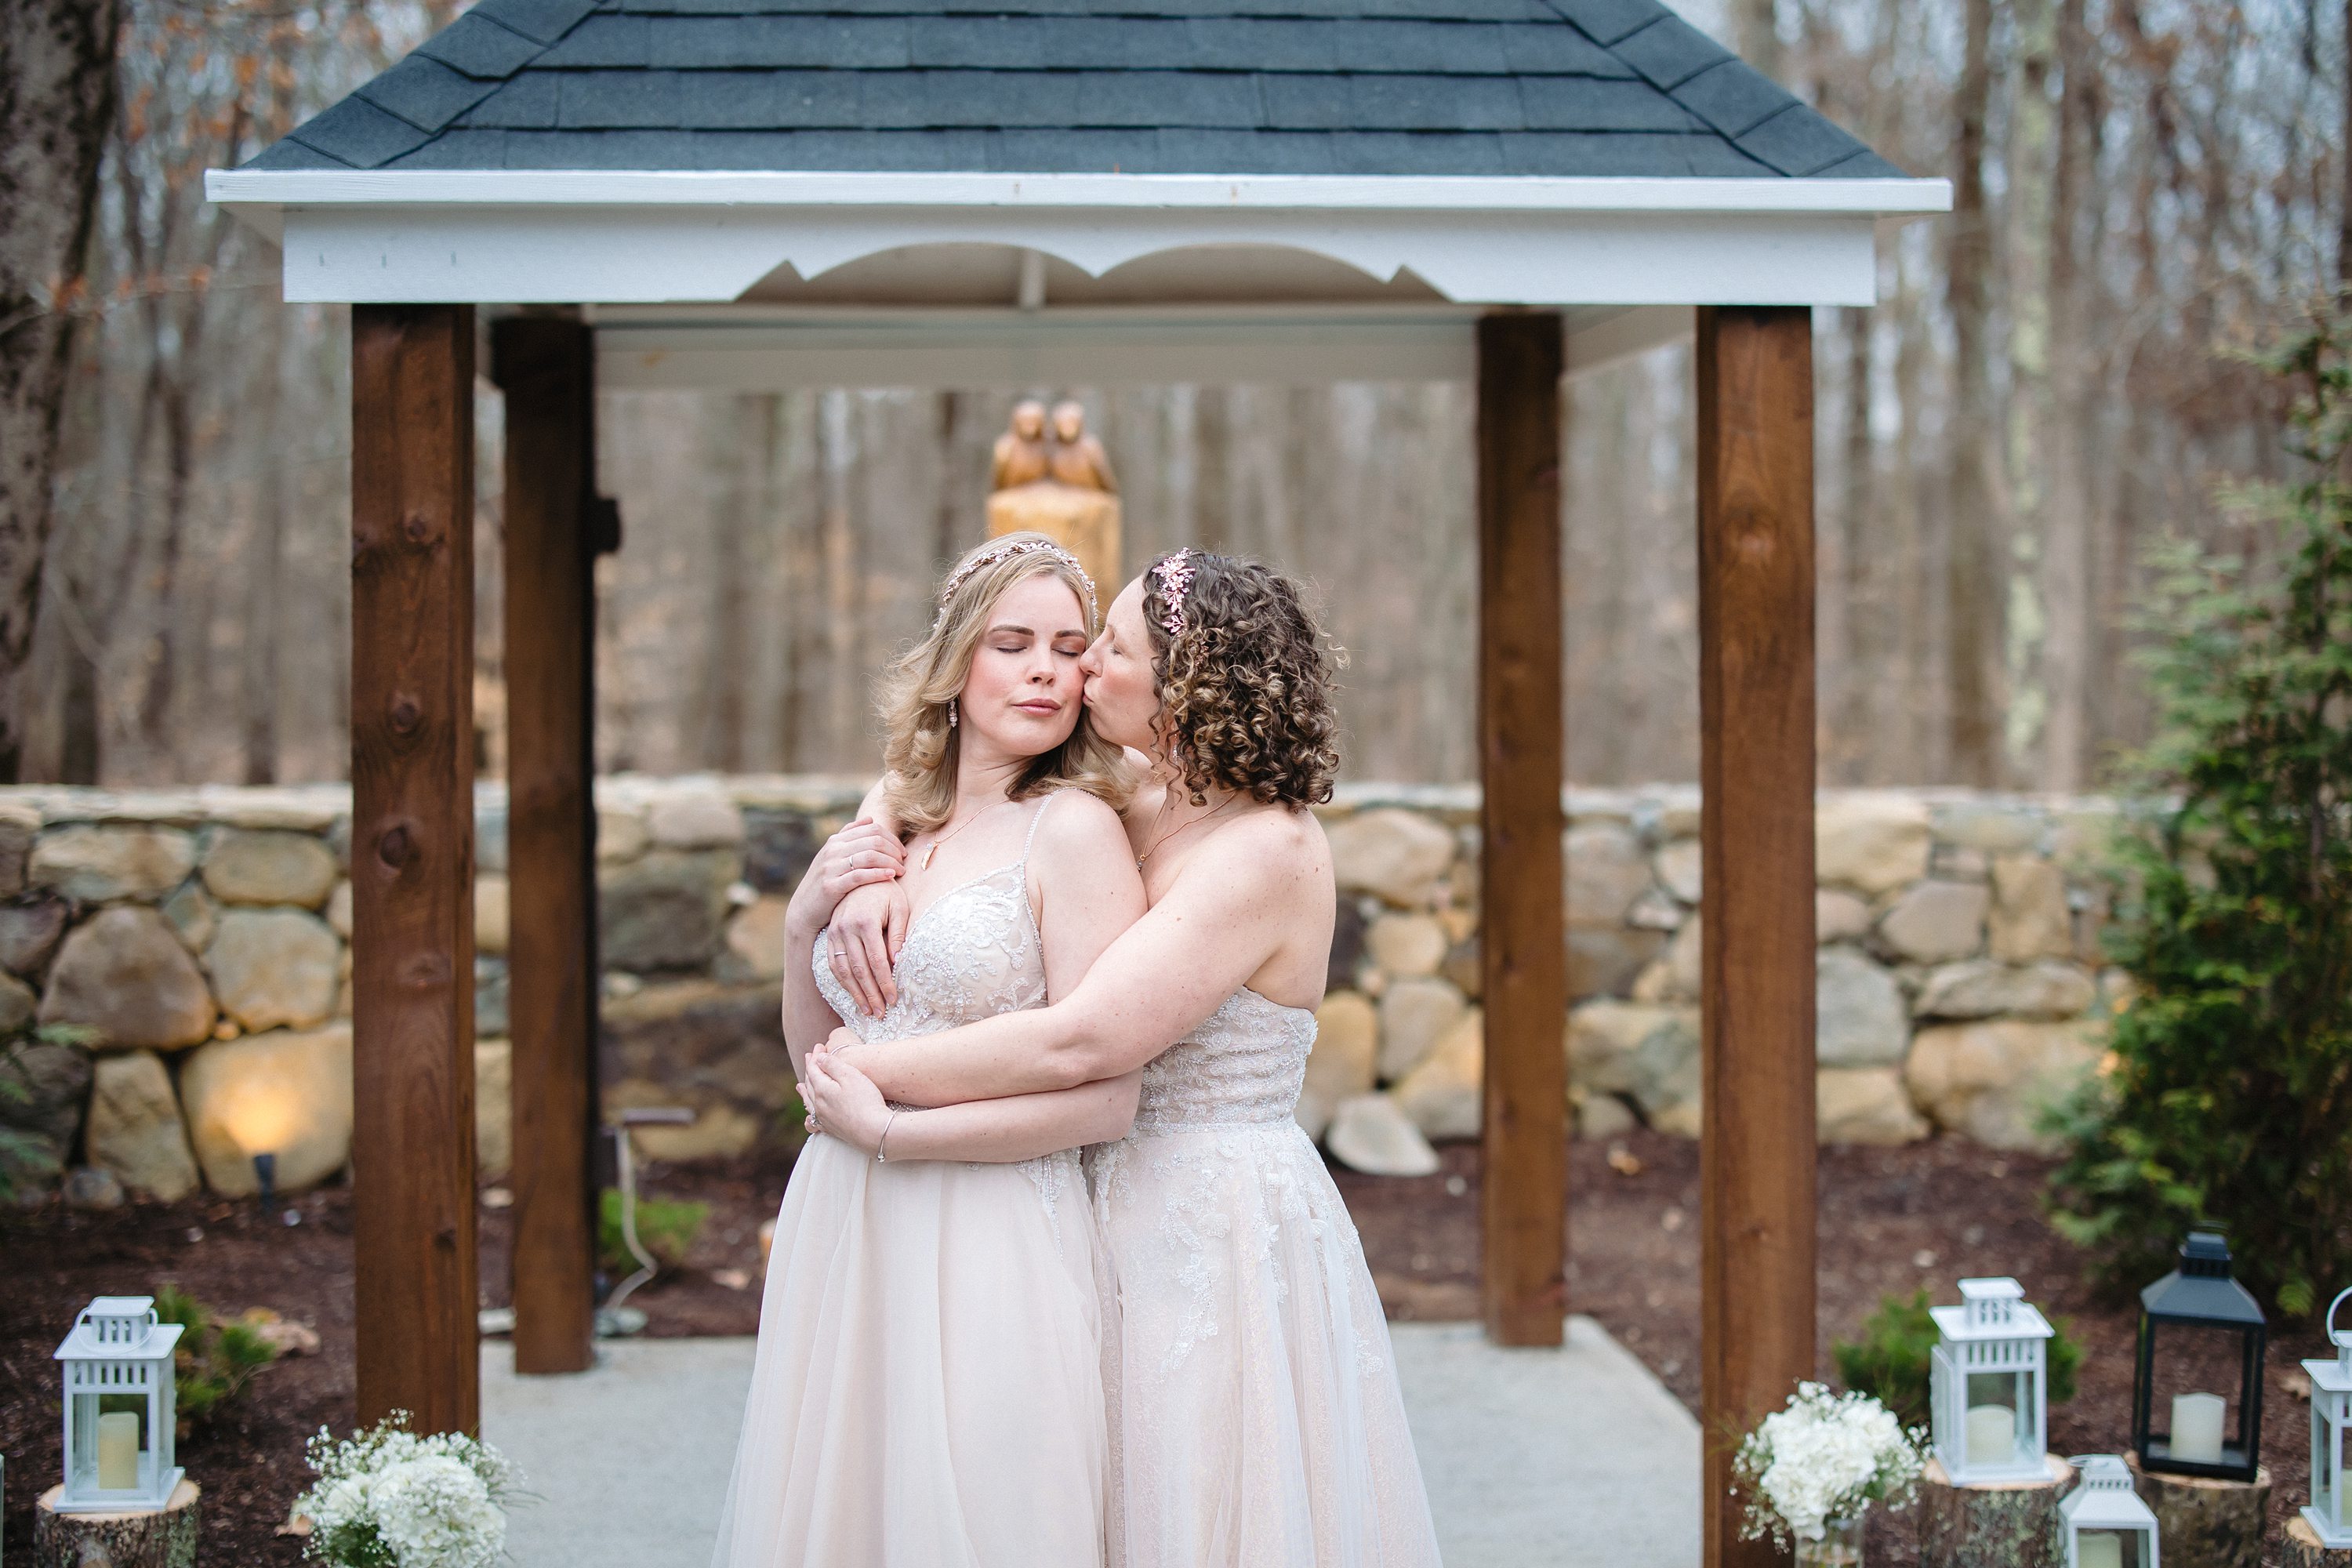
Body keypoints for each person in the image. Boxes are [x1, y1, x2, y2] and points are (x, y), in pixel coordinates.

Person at [806, 549, 1443, 1568]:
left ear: (1180, 685)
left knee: (1192, 1503)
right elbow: (931, 767)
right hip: (1079, 1199)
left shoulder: (1265, 852)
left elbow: (1087, 1038)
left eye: (1107, 647)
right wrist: (872, 855)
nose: (1079, 668)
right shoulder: (1144, 793)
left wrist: (871, 1075)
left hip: (1209, 1223)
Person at [710, 532, 1147, 1568]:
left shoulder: (1075, 831)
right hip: (844, 1212)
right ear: (955, 663)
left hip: (990, 1228)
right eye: (1013, 642)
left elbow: (1106, 1100)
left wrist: (900, 1133)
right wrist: (802, 923)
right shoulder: (895, 826)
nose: (1046, 667)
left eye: (1069, 646)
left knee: (988, 1518)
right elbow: (822, 1060)